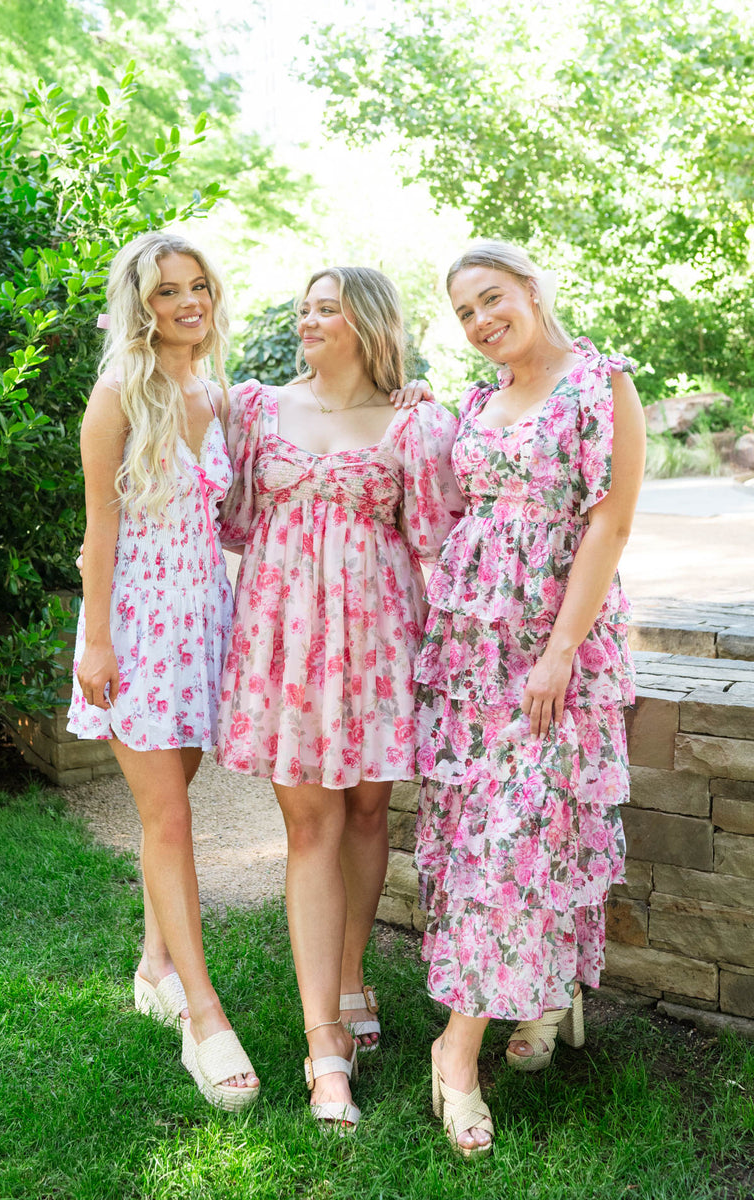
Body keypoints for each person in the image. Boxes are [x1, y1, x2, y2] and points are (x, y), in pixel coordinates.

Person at [405, 240, 646, 1155]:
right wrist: (414, 413)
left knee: (527, 829)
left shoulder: (599, 384)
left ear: (533, 291)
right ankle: (542, 997)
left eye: (492, 298)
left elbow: (610, 521)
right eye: (465, 312)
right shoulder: (474, 401)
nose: (480, 321)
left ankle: (455, 1050)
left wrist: (559, 653)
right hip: (471, 649)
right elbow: (452, 502)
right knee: (487, 833)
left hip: (554, 648)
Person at [217, 266, 462, 1130]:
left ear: (365, 322)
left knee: (367, 816)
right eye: (304, 308)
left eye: (326, 308)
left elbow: (436, 533)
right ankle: (325, 1045)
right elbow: (232, 517)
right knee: (311, 826)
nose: (307, 319)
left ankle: (353, 976)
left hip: (378, 644)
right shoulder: (256, 410)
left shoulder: (412, 421)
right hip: (287, 647)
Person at [67, 231, 259, 1111]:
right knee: (170, 818)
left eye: (197, 288)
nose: (187, 303)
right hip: (139, 627)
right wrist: (95, 643)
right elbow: (97, 536)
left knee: (172, 804)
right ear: (140, 305)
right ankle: (205, 1020)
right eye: (167, 292)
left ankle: (154, 968)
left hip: (203, 620)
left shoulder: (215, 394)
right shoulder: (117, 396)